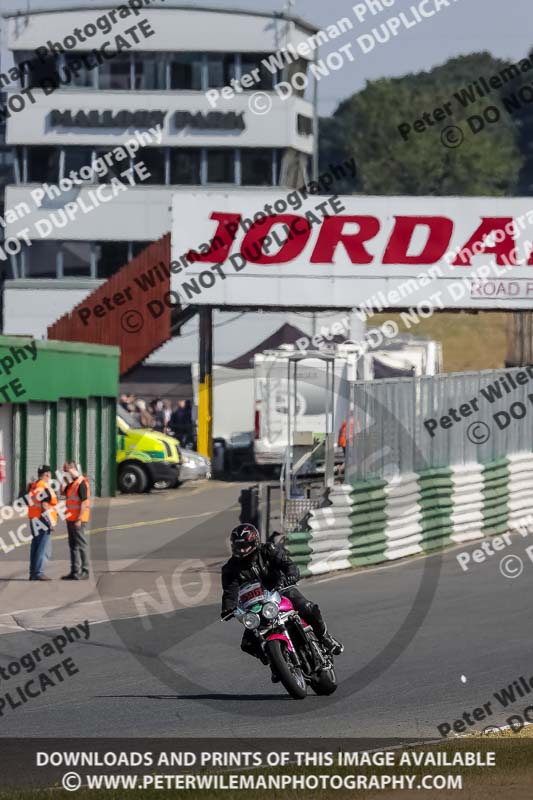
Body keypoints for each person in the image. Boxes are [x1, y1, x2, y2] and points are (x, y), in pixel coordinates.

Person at [221, 524, 343, 678]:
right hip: (256, 605)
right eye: (239, 546)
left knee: (308, 607)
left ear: (254, 543)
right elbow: (230, 591)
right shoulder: (230, 568)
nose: (242, 550)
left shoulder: (268, 550)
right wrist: (228, 608)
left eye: (246, 545)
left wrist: (291, 575)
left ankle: (325, 638)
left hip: (281, 590)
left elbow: (288, 564)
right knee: (248, 643)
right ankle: (277, 662)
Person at [61, 461, 91, 581]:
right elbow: (62, 492)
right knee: (73, 545)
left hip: (78, 519)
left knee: (81, 544)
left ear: (74, 469)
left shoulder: (81, 483)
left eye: (68, 470)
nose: (67, 473)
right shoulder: (72, 483)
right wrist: (63, 481)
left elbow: (84, 502)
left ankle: (85, 570)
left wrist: (79, 518)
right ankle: (74, 571)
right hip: (70, 519)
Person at [27, 465, 58, 582]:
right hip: (42, 520)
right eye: (49, 474)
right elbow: (44, 506)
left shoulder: (34, 486)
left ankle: (33, 572)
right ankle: (38, 572)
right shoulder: (43, 487)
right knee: (41, 547)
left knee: (35, 546)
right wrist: (51, 522)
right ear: (47, 474)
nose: (50, 476)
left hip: (33, 518)